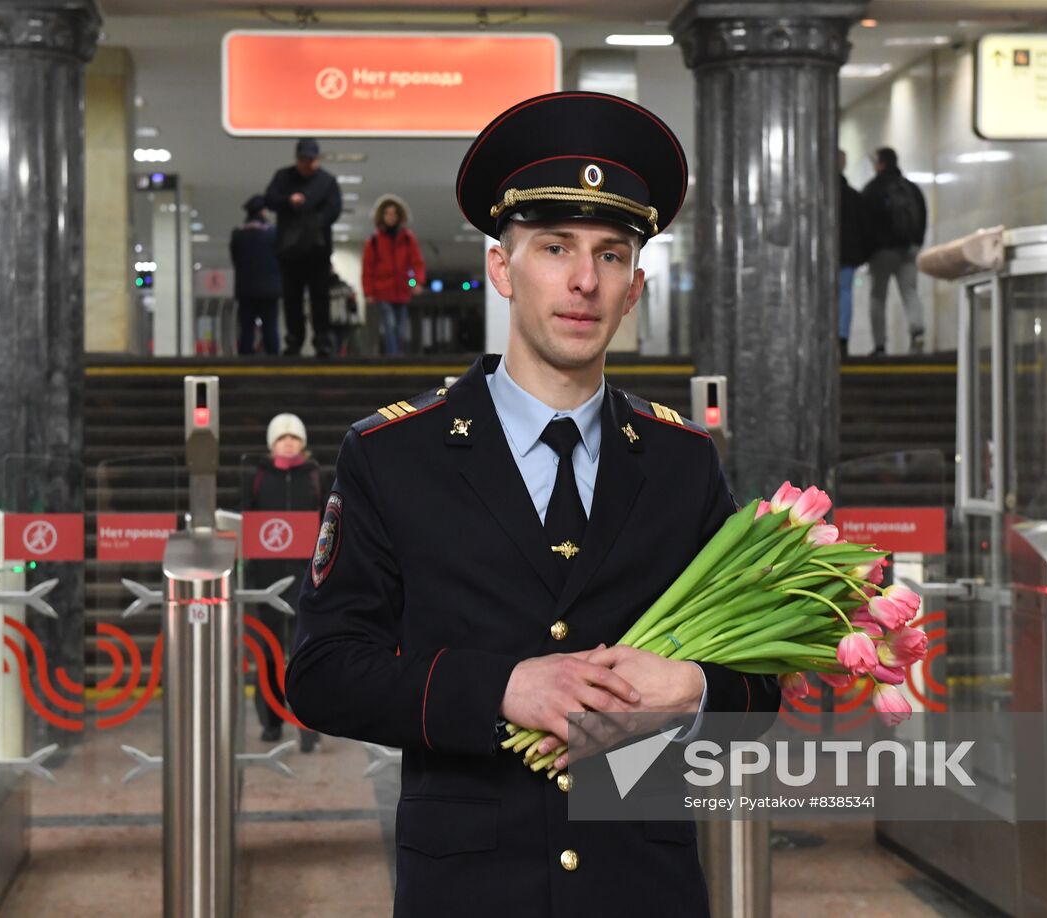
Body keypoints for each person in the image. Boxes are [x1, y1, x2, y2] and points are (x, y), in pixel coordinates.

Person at [286, 91, 780, 917]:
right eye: (555, 247)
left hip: (644, 891)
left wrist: (692, 687)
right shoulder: (393, 456)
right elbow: (324, 672)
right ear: (501, 268)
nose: (584, 280)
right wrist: (500, 690)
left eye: (612, 254)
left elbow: (760, 689)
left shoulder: (682, 461)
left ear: (636, 287)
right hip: (469, 891)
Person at [242, 412, 323, 750]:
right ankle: (271, 721)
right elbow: (244, 519)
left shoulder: (315, 476)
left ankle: (309, 724)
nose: (288, 442)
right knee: (270, 649)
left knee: (306, 651)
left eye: (294, 438)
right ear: (272, 444)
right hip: (267, 576)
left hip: (307, 576)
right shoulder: (257, 476)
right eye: (281, 438)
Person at [264, 138, 342, 357]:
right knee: (292, 298)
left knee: (320, 297)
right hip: (290, 251)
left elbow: (334, 209)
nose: (307, 164)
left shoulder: (326, 182)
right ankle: (294, 340)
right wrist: (289, 200)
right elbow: (269, 199)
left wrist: (316, 220)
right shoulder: (283, 178)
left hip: (317, 251)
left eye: (311, 160)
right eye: (303, 160)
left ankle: (322, 340)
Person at [862, 146, 928, 355]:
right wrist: (916, 243)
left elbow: (865, 222)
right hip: (909, 250)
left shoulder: (873, 189)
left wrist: (869, 249)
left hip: (882, 252)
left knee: (878, 297)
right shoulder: (911, 188)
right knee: (910, 292)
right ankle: (917, 331)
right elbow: (923, 217)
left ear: (881, 163)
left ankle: (880, 345)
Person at [362, 194, 427, 355]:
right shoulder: (374, 241)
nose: (391, 217)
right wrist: (368, 292)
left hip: (402, 291)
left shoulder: (407, 239)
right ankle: (393, 356)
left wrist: (417, 282)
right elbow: (367, 268)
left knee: (401, 326)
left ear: (399, 216)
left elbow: (417, 262)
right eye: (387, 213)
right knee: (389, 324)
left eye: (394, 214)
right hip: (382, 291)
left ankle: (398, 354)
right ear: (382, 216)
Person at [228, 195, 282, 355]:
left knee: (246, 327)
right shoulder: (273, 233)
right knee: (270, 327)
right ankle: (273, 360)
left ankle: (245, 359)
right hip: (269, 290)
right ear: (263, 212)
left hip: (245, 289)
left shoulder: (238, 234)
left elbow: (235, 259)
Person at [837, 150, 872, 359]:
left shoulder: (817, 195)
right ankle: (842, 337)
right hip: (848, 255)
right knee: (845, 294)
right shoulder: (853, 196)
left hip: (822, 258)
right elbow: (865, 228)